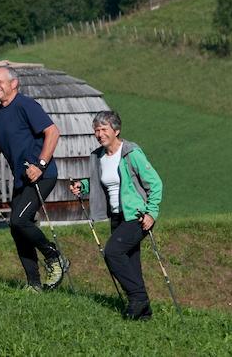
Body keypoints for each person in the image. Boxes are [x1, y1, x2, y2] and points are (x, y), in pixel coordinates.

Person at [0, 66, 69, 291]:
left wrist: (40, 165)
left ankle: (54, 257)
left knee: (19, 220)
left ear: (13, 83)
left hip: (42, 176)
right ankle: (33, 284)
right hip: (21, 180)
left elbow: (53, 132)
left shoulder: (26, 105)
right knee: (17, 229)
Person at [70, 110, 163, 320]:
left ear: (116, 130)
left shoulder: (131, 153)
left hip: (136, 216)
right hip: (116, 216)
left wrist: (152, 212)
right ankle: (144, 313)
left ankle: (138, 298)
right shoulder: (99, 157)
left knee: (112, 252)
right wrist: (82, 186)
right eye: (96, 130)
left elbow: (155, 184)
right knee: (131, 262)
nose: (99, 133)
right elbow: (101, 182)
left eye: (104, 129)